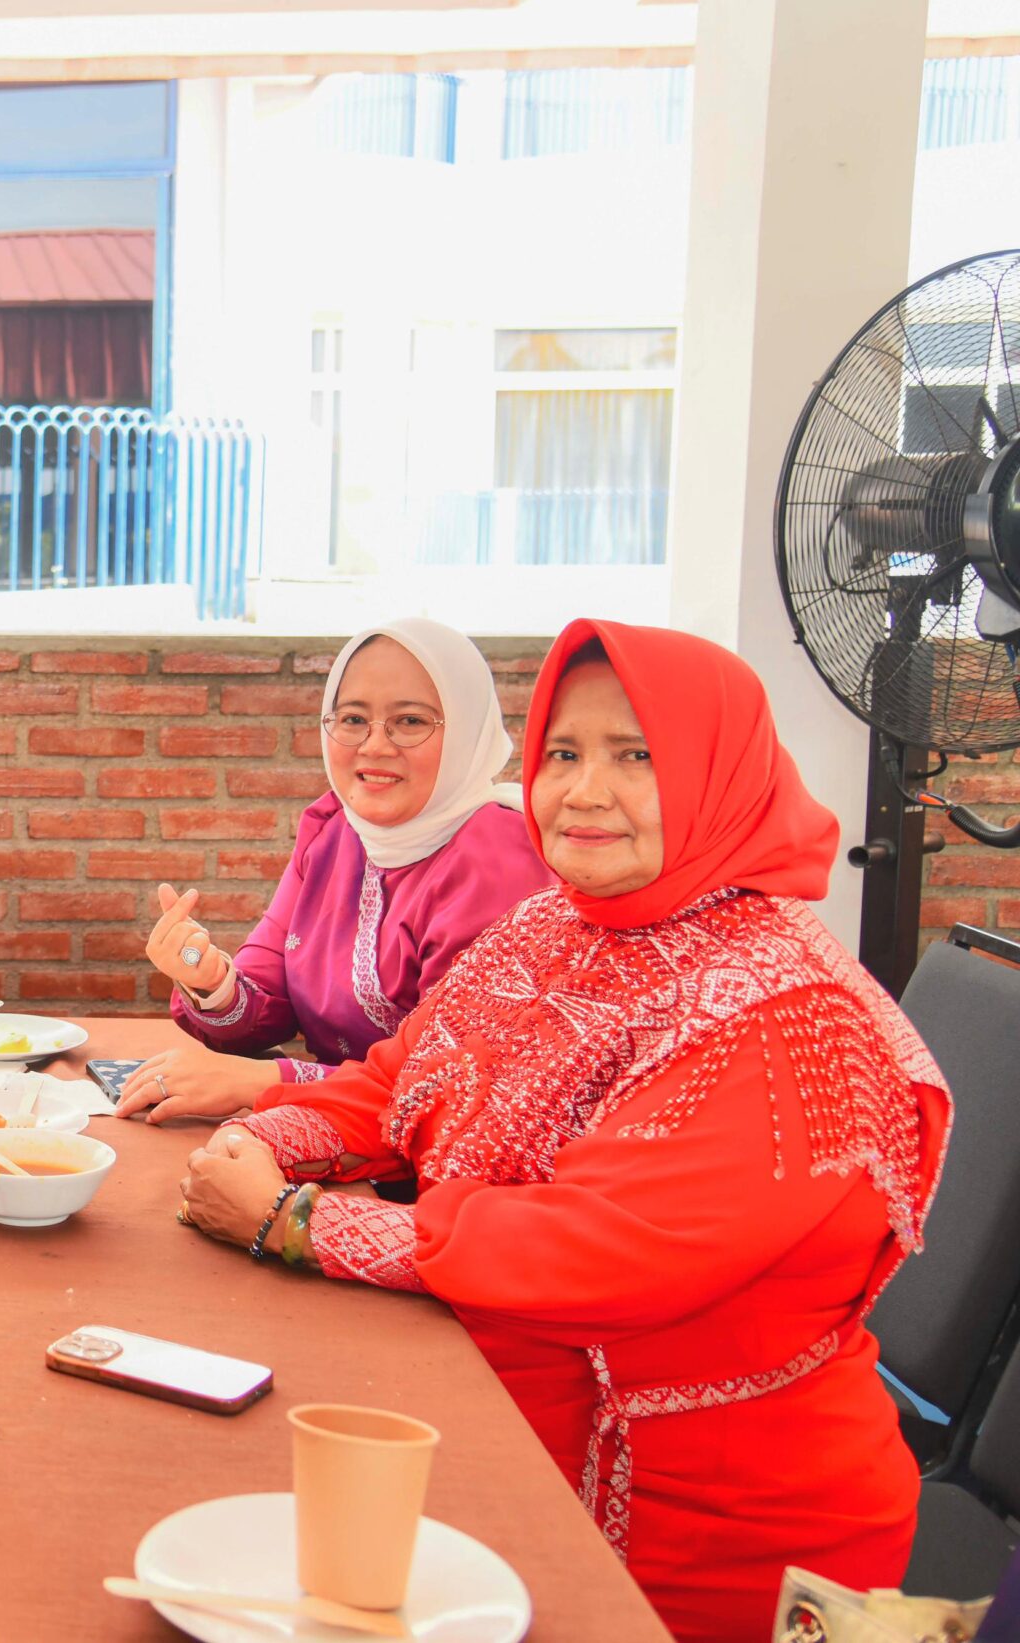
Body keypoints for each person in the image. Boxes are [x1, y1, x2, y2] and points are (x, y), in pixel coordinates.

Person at [177, 619, 950, 1643]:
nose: (584, 792)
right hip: (511, 1441)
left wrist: (296, 1223)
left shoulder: (783, 1010)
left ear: (720, 773)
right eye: (563, 753)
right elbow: (406, 1078)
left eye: (637, 756)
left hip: (704, 1537)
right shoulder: (560, 923)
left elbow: (600, 1249)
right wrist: (271, 1139)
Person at [115, 618, 550, 1123]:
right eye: (353, 719)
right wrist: (210, 981)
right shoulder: (335, 832)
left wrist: (263, 1083)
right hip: (327, 1129)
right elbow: (265, 1006)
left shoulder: (497, 856)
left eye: (411, 721)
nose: (375, 745)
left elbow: (448, 1085)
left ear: (467, 730)